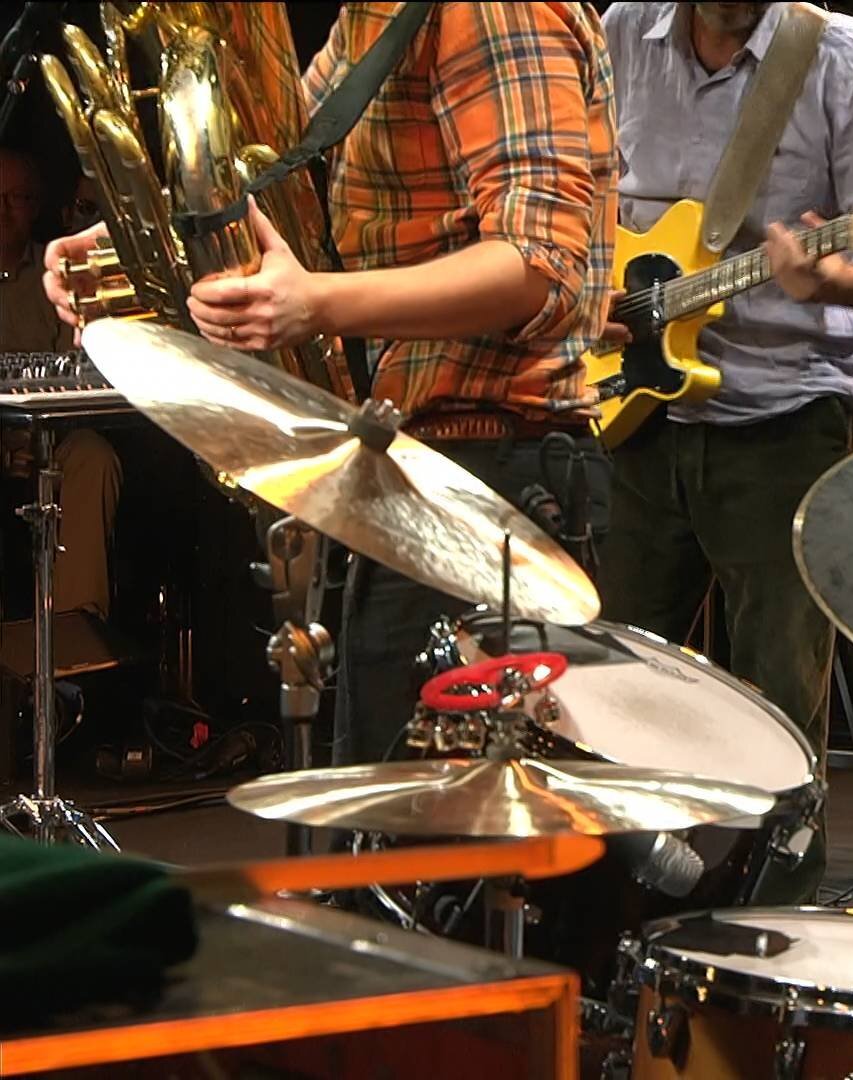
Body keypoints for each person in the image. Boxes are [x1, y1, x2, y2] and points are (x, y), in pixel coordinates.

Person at [44, 1, 618, 765]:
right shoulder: (370, 19)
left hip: (493, 475)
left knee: (439, 825)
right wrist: (131, 244)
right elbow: (286, 196)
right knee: (384, 818)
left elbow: (540, 265)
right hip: (413, 475)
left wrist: (314, 304)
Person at [597, 1, 853, 899]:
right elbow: (587, 195)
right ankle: (613, 916)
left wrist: (835, 279)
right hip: (638, 410)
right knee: (609, 684)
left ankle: (770, 932)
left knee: (779, 702)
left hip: (785, 412)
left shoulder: (838, 58)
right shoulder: (621, 34)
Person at [1, 148, 120, 620]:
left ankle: (75, 637)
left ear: (36, 206)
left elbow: (74, 373)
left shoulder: (59, 274)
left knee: (93, 455)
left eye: (16, 198)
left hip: (47, 438)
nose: (3, 211)